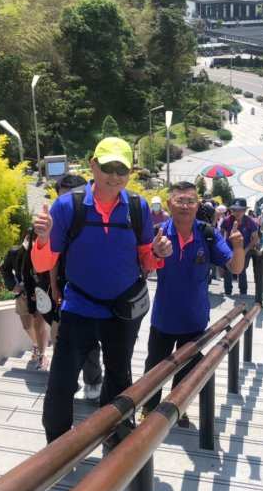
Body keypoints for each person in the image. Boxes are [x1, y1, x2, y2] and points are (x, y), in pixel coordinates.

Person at [30, 137, 169, 443]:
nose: (115, 175)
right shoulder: (69, 206)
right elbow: (44, 262)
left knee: (119, 377)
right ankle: (56, 445)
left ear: (130, 172)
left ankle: (116, 436)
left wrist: (158, 252)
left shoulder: (137, 207)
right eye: (108, 167)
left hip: (121, 310)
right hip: (79, 306)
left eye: (122, 168)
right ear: (93, 165)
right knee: (62, 381)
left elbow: (146, 257)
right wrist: (42, 238)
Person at [141, 182, 246, 425]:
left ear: (198, 205)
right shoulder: (158, 234)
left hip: (195, 318)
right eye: (180, 201)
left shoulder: (208, 233)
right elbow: (143, 269)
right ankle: (148, 407)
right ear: (169, 204)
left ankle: (178, 407)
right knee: (155, 367)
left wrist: (238, 246)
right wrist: (155, 253)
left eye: (190, 201)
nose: (185, 206)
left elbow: (236, 268)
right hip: (164, 318)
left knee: (187, 369)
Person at [51, 173, 102, 401]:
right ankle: (72, 384)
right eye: (64, 197)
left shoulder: (96, 213)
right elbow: (51, 258)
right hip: (65, 288)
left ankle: (93, 380)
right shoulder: (56, 217)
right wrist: (53, 287)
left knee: (90, 341)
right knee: (67, 339)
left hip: (92, 289)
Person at [1, 231, 53, 371]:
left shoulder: (45, 250)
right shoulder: (14, 253)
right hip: (23, 293)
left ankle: (42, 355)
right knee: (26, 325)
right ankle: (36, 344)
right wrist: (13, 286)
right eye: (30, 238)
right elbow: (5, 269)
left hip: (40, 293)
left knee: (39, 325)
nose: (32, 241)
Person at [220, 198, 259, 296]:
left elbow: (255, 238)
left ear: (244, 210)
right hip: (229, 250)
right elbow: (221, 234)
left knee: (242, 270)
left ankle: (243, 292)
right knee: (228, 270)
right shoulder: (227, 220)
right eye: (234, 210)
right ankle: (228, 291)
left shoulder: (250, 222)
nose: (237, 212)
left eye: (240, 210)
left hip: (244, 249)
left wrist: (245, 251)